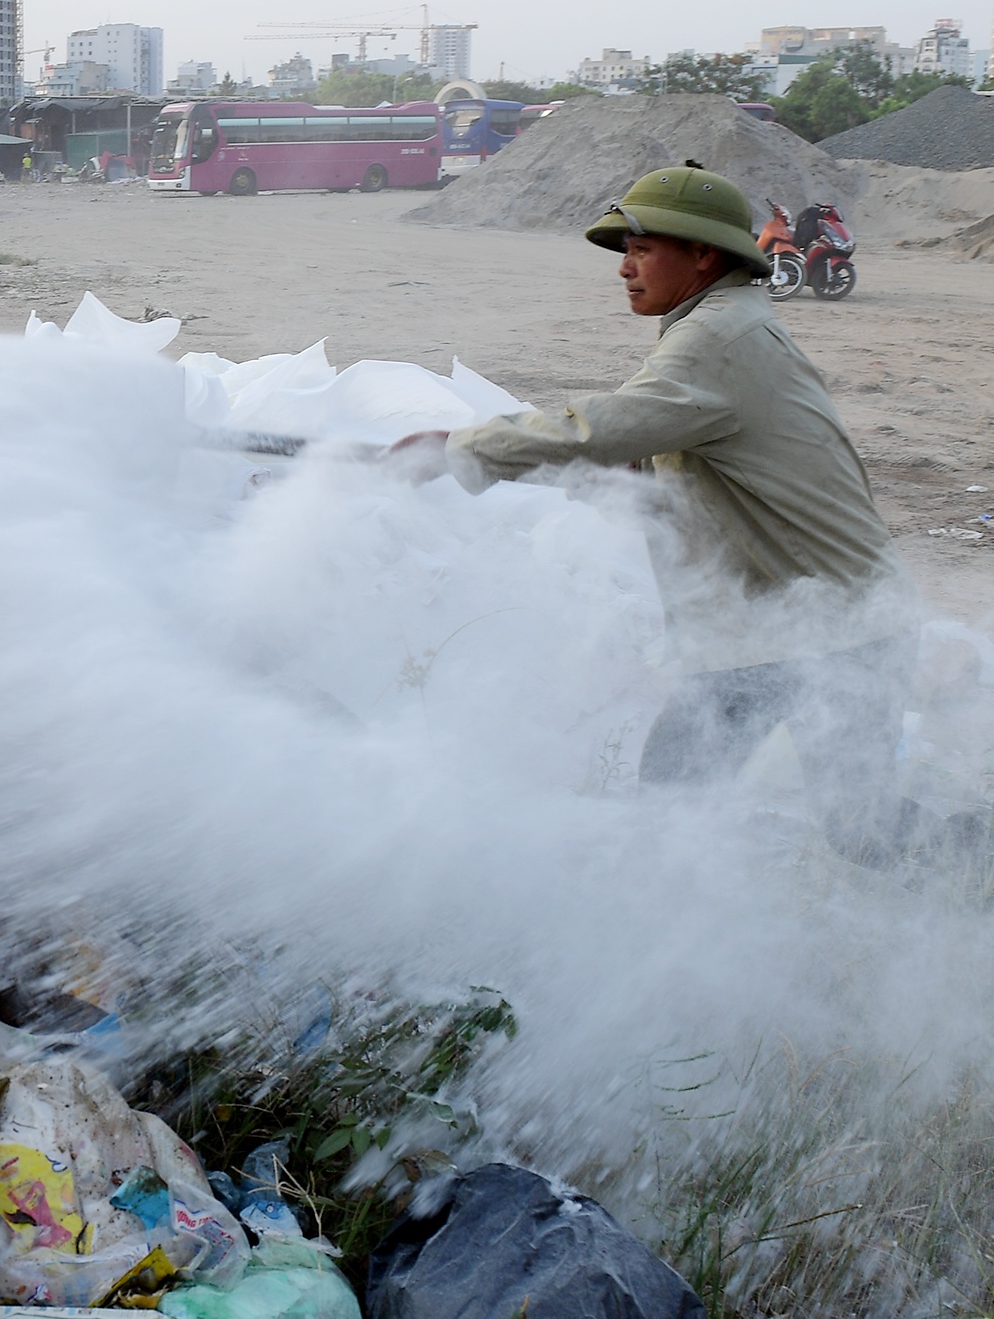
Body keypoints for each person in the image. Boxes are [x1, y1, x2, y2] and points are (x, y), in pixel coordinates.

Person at [391, 161, 915, 825]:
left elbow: (599, 427)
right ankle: (676, 909)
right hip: (781, 631)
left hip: (837, 633)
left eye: (641, 250)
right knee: (682, 798)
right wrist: (616, 474)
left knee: (856, 828)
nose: (624, 268)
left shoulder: (719, 337)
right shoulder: (719, 324)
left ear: (702, 254)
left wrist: (460, 450)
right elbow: (670, 454)